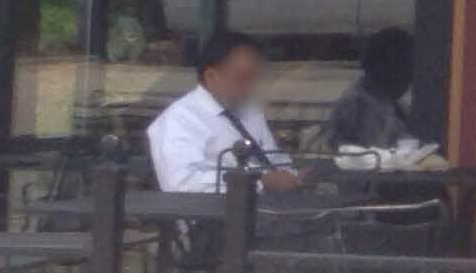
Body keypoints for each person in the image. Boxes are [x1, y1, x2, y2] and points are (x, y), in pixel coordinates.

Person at [147, 30, 307, 199]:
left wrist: (293, 177)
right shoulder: (178, 120)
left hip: (266, 210)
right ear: (211, 77)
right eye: (243, 78)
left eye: (255, 79)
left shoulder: (249, 111)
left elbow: (272, 157)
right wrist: (261, 183)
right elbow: (182, 185)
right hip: (214, 218)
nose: (251, 88)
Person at [322, 26, 418, 154]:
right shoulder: (356, 107)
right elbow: (374, 154)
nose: (410, 78)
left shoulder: (392, 105)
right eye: (407, 68)